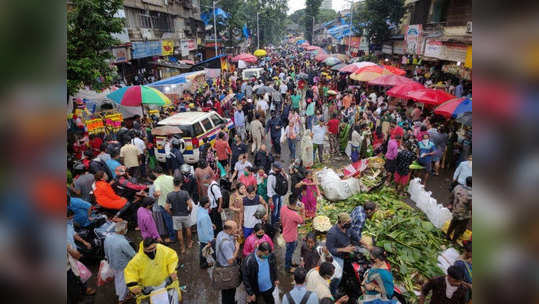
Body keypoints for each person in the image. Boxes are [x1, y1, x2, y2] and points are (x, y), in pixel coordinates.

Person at [104, 221, 136, 304]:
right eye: (126, 228)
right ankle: (122, 298)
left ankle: (121, 294)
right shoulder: (123, 242)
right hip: (123, 264)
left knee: (118, 279)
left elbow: (105, 250)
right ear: (122, 230)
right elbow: (132, 254)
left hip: (112, 262)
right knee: (123, 281)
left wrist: (108, 259)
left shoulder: (108, 237)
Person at [326, 213, 354, 295]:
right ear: (341, 223)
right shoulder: (332, 233)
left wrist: (365, 245)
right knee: (338, 276)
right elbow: (330, 249)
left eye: (350, 222)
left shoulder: (348, 228)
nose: (350, 224)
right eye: (348, 222)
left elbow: (355, 236)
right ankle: (332, 291)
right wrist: (344, 249)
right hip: (337, 255)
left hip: (347, 251)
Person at [166, 176, 194, 254]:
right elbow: (190, 205)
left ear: (173, 184)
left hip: (176, 215)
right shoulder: (185, 193)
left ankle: (182, 247)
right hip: (185, 214)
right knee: (188, 229)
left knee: (179, 232)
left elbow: (166, 208)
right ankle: (189, 243)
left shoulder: (169, 195)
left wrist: (171, 214)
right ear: (181, 184)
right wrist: (189, 211)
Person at [216, 220, 241, 304]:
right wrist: (237, 248)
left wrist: (233, 237)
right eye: (235, 228)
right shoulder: (225, 243)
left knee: (226, 291)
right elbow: (230, 261)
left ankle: (231, 301)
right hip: (227, 270)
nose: (237, 230)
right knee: (229, 290)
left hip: (221, 264)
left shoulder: (221, 233)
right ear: (229, 230)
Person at [281, 194, 305, 273]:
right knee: (289, 252)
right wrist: (302, 210)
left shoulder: (283, 208)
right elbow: (302, 221)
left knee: (291, 249)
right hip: (291, 237)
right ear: (295, 204)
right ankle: (288, 268)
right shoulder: (294, 215)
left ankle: (290, 262)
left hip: (285, 233)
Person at [152, 166, 176, 243]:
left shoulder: (157, 181)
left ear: (155, 173)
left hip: (165, 205)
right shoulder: (171, 178)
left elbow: (158, 193)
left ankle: (172, 238)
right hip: (174, 202)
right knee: (176, 218)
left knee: (169, 221)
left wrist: (154, 194)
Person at [447, 176, 472, 242]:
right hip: (464, 214)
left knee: (452, 223)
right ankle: (453, 241)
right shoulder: (471, 194)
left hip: (455, 209)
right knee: (459, 227)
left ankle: (447, 235)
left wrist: (450, 204)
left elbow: (451, 196)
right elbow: (470, 206)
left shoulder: (457, 187)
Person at [197, 197, 214, 268]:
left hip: (201, 235)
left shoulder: (201, 209)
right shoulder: (204, 216)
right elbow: (206, 230)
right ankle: (203, 264)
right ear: (206, 204)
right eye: (209, 202)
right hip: (205, 237)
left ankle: (203, 262)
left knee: (203, 249)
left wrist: (211, 224)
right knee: (204, 250)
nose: (210, 203)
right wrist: (209, 240)